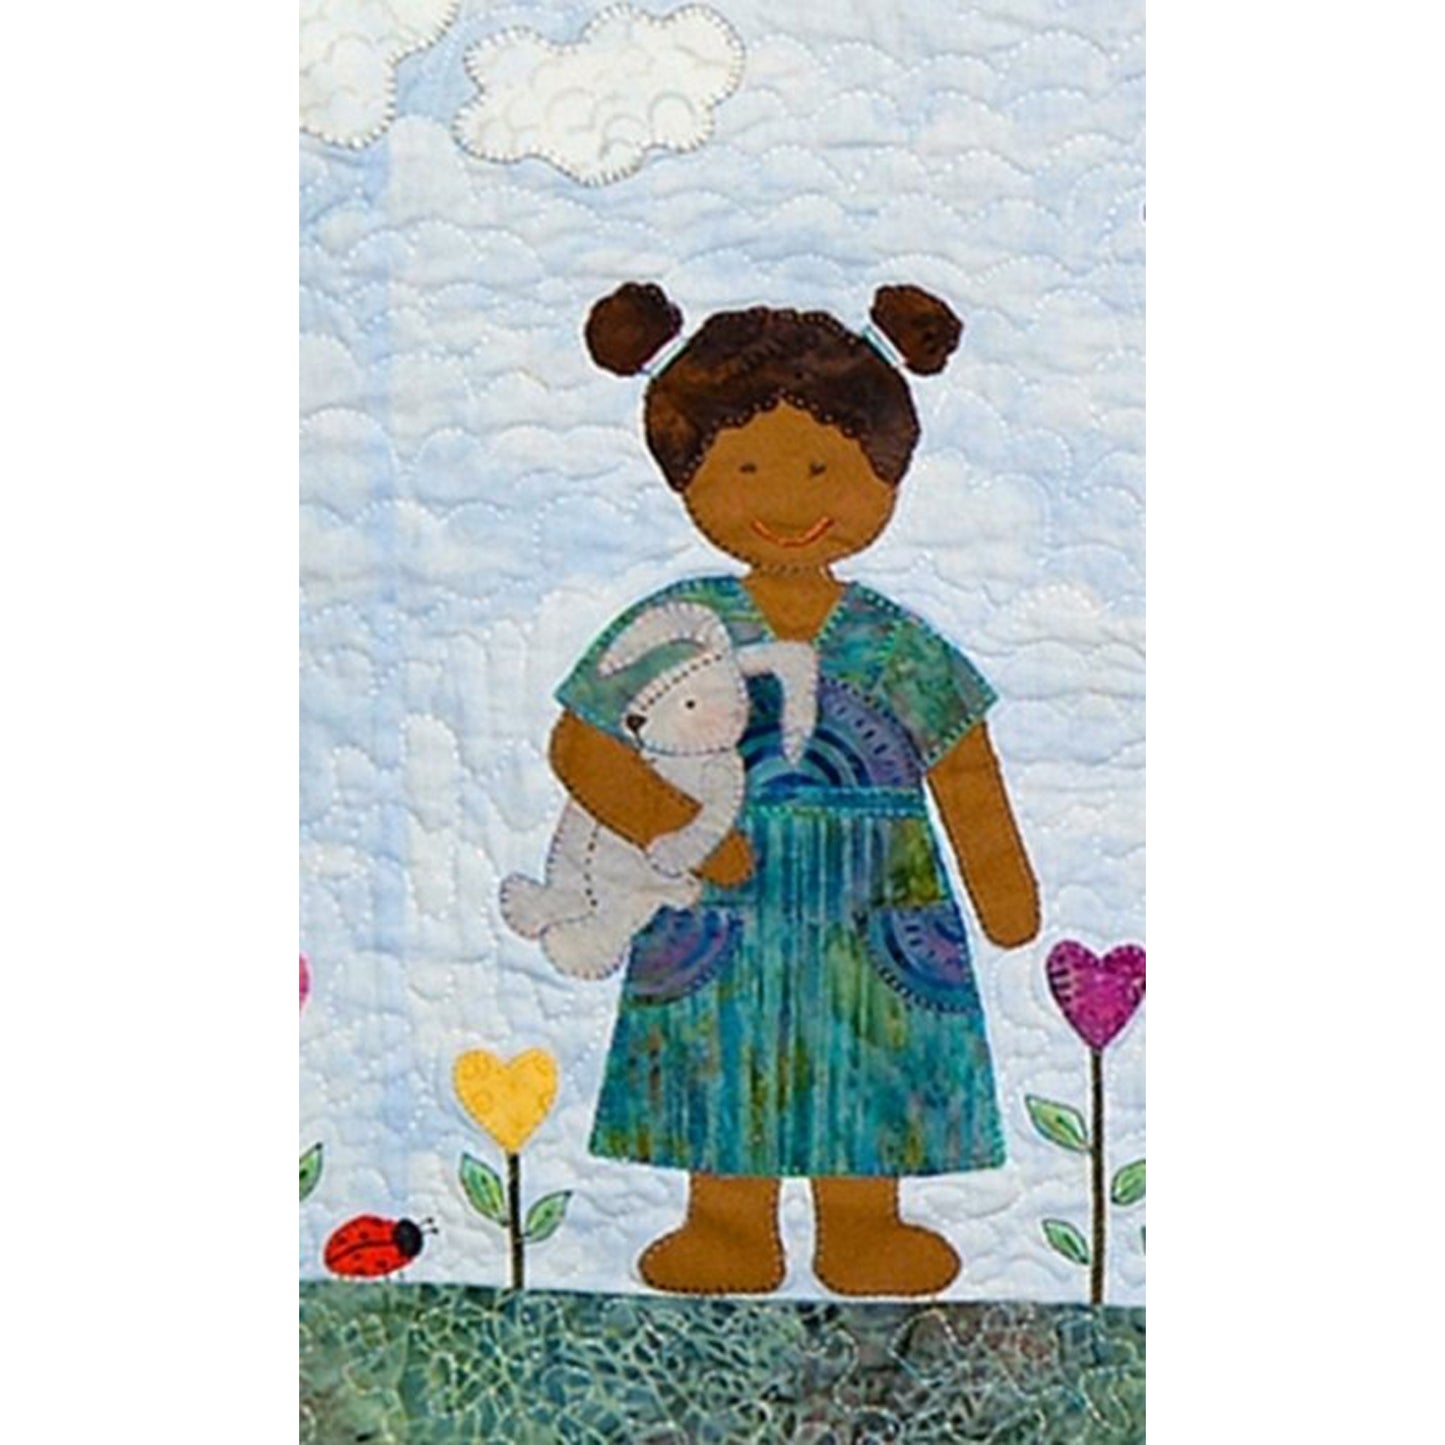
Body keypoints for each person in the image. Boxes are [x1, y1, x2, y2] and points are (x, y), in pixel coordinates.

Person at [546, 281, 1040, 1295]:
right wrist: (677, 825)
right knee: (719, 1055)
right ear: (689, 476)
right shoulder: (683, 625)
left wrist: (1003, 889)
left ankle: (863, 1228)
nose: (784, 499)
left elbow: (963, 761)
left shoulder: (892, 643)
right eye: (744, 468)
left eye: (821, 467)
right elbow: (581, 744)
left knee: (872, 1058)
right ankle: (725, 1227)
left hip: (875, 905)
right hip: (718, 888)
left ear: (883, 473)